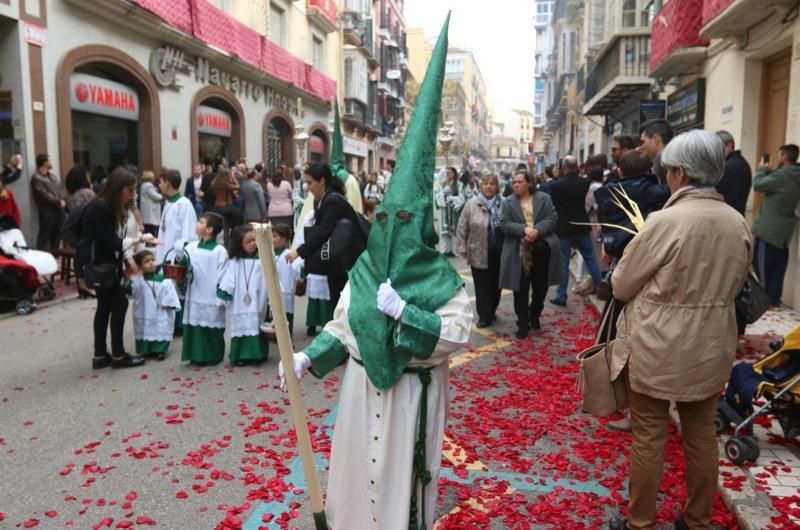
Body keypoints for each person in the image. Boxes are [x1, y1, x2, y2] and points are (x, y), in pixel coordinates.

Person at [279, 18, 472, 528]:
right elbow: (344, 328)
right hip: (362, 394)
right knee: (353, 489)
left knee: (397, 493)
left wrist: (407, 313)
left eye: (403, 221)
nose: (390, 227)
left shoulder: (443, 280)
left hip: (412, 397)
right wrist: (306, 356)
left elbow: (456, 334)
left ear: (423, 226)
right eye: (384, 218)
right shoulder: (364, 271)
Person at [607, 130, 752, 530]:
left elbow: (622, 284)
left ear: (680, 174)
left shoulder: (665, 222)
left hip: (657, 342)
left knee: (650, 434)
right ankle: (697, 519)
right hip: (711, 343)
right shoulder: (737, 222)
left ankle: (640, 521)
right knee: (701, 432)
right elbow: (738, 284)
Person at [82, 167, 153, 369]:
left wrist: (127, 259)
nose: (132, 195)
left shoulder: (108, 206)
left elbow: (114, 241)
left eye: (133, 191)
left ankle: (100, 354)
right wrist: (138, 240)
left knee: (104, 306)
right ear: (118, 188)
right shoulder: (101, 207)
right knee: (119, 303)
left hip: (106, 264)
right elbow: (110, 241)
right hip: (101, 265)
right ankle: (118, 355)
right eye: (129, 190)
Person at [285, 162, 360, 310]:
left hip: (343, 261)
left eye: (310, 182)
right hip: (339, 260)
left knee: (340, 304)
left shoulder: (331, 200)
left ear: (322, 181)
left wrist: (299, 252)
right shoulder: (327, 198)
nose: (307, 187)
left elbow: (323, 232)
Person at [499, 169, 561, 338]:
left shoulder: (544, 198)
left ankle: (535, 314)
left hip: (541, 248)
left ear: (529, 183)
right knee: (520, 289)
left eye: (520, 182)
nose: (516, 185)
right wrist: (524, 229)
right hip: (518, 249)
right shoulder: (508, 202)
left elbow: (552, 219)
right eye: (514, 182)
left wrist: (537, 231)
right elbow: (504, 224)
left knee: (540, 287)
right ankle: (523, 323)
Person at [547, 155, 603, 305]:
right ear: (577, 166)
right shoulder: (585, 183)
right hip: (581, 225)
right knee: (591, 258)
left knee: (563, 262)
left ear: (564, 167)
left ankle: (561, 296)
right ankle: (600, 288)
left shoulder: (556, 185)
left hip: (564, 227)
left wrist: (555, 176)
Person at [751, 144, 800, 306]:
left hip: (769, 229)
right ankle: (774, 298)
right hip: (784, 230)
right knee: (778, 266)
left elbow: (758, 184)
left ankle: (766, 299)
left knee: (761, 263)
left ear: (785, 157)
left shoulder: (783, 175)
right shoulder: (795, 174)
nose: (778, 158)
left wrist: (761, 169)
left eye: (779, 155)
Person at [179, 212, 229, 365]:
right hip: (194, 293)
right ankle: (195, 355)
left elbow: (223, 275)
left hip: (210, 295)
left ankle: (212, 355)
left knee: (210, 325)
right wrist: (179, 257)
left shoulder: (220, 251)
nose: (197, 224)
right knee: (195, 324)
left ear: (209, 229)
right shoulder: (191, 247)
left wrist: (221, 295)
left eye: (201, 222)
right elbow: (184, 266)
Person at [456, 173, 504, 328]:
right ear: (481, 186)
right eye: (485, 183)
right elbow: (462, 226)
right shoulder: (472, 204)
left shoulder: (504, 204)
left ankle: (491, 310)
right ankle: (484, 316)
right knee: (481, 286)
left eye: (492, 184)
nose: (489, 186)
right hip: (478, 251)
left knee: (496, 286)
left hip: (499, 252)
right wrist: (462, 246)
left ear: (497, 187)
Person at [217, 224, 269, 366]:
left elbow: (270, 278)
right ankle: (240, 355)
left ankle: (259, 353)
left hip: (258, 298)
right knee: (241, 325)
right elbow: (229, 279)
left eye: (254, 240)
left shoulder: (262, 260)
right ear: (239, 244)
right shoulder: (235, 262)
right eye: (248, 241)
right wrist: (225, 293)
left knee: (257, 323)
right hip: (240, 300)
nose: (253, 243)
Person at [125, 249, 180, 361]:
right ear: (140, 266)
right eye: (146, 261)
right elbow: (127, 290)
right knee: (145, 328)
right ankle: (145, 350)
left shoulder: (163, 278)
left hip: (160, 310)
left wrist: (169, 304)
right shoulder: (137, 280)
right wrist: (133, 278)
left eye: (153, 260)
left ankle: (160, 350)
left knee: (161, 328)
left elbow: (171, 293)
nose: (151, 263)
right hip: (144, 311)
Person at [573, 165, 604, 295]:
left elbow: (586, 206)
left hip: (593, 220)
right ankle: (594, 282)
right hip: (599, 220)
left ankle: (582, 280)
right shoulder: (602, 186)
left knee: (587, 252)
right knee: (594, 252)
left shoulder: (591, 188)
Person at [266, 223, 302, 335]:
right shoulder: (268, 253)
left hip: (285, 290)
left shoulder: (289, 254)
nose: (272, 239)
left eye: (275, 236)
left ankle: (286, 338)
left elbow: (298, 270)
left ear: (284, 240)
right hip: (271, 290)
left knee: (285, 315)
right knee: (272, 313)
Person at [156, 169, 198, 264]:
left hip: (176, 256)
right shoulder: (168, 202)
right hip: (165, 251)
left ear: (167, 183)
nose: (159, 185)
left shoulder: (184, 204)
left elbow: (189, 233)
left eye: (161, 182)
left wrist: (181, 255)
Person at [31, 154, 66, 252]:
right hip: (47, 209)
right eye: (50, 160)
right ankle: (41, 258)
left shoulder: (53, 176)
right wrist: (58, 201)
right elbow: (43, 194)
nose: (51, 162)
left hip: (58, 209)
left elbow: (60, 189)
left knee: (57, 234)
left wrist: (62, 199)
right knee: (44, 234)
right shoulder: (36, 177)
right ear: (45, 163)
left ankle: (55, 257)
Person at [714, 131, 752, 216]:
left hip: (728, 219)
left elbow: (711, 191)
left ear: (729, 146)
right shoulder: (738, 161)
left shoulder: (729, 166)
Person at [435, 166, 465, 256]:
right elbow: (436, 196)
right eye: (446, 172)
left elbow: (462, 198)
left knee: (453, 231)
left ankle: (453, 250)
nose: (448, 174)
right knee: (444, 231)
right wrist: (443, 193)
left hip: (453, 211)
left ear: (454, 174)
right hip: (444, 211)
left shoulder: (459, 185)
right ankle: (444, 250)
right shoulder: (442, 184)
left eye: (450, 172)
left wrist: (452, 198)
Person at [211, 168, 243, 247]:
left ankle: (223, 244)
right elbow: (238, 187)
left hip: (217, 207)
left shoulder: (214, 183)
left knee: (224, 227)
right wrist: (233, 178)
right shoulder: (227, 185)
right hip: (227, 207)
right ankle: (229, 244)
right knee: (231, 224)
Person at [638, 119, 674, 183]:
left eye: (643, 142)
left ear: (655, 139)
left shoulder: (668, 165)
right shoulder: (673, 160)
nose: (641, 147)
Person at [138, 170, 162, 236]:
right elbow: (156, 197)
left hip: (147, 211)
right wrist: (163, 195)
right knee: (150, 229)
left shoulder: (144, 185)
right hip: (150, 212)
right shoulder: (148, 186)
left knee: (149, 228)